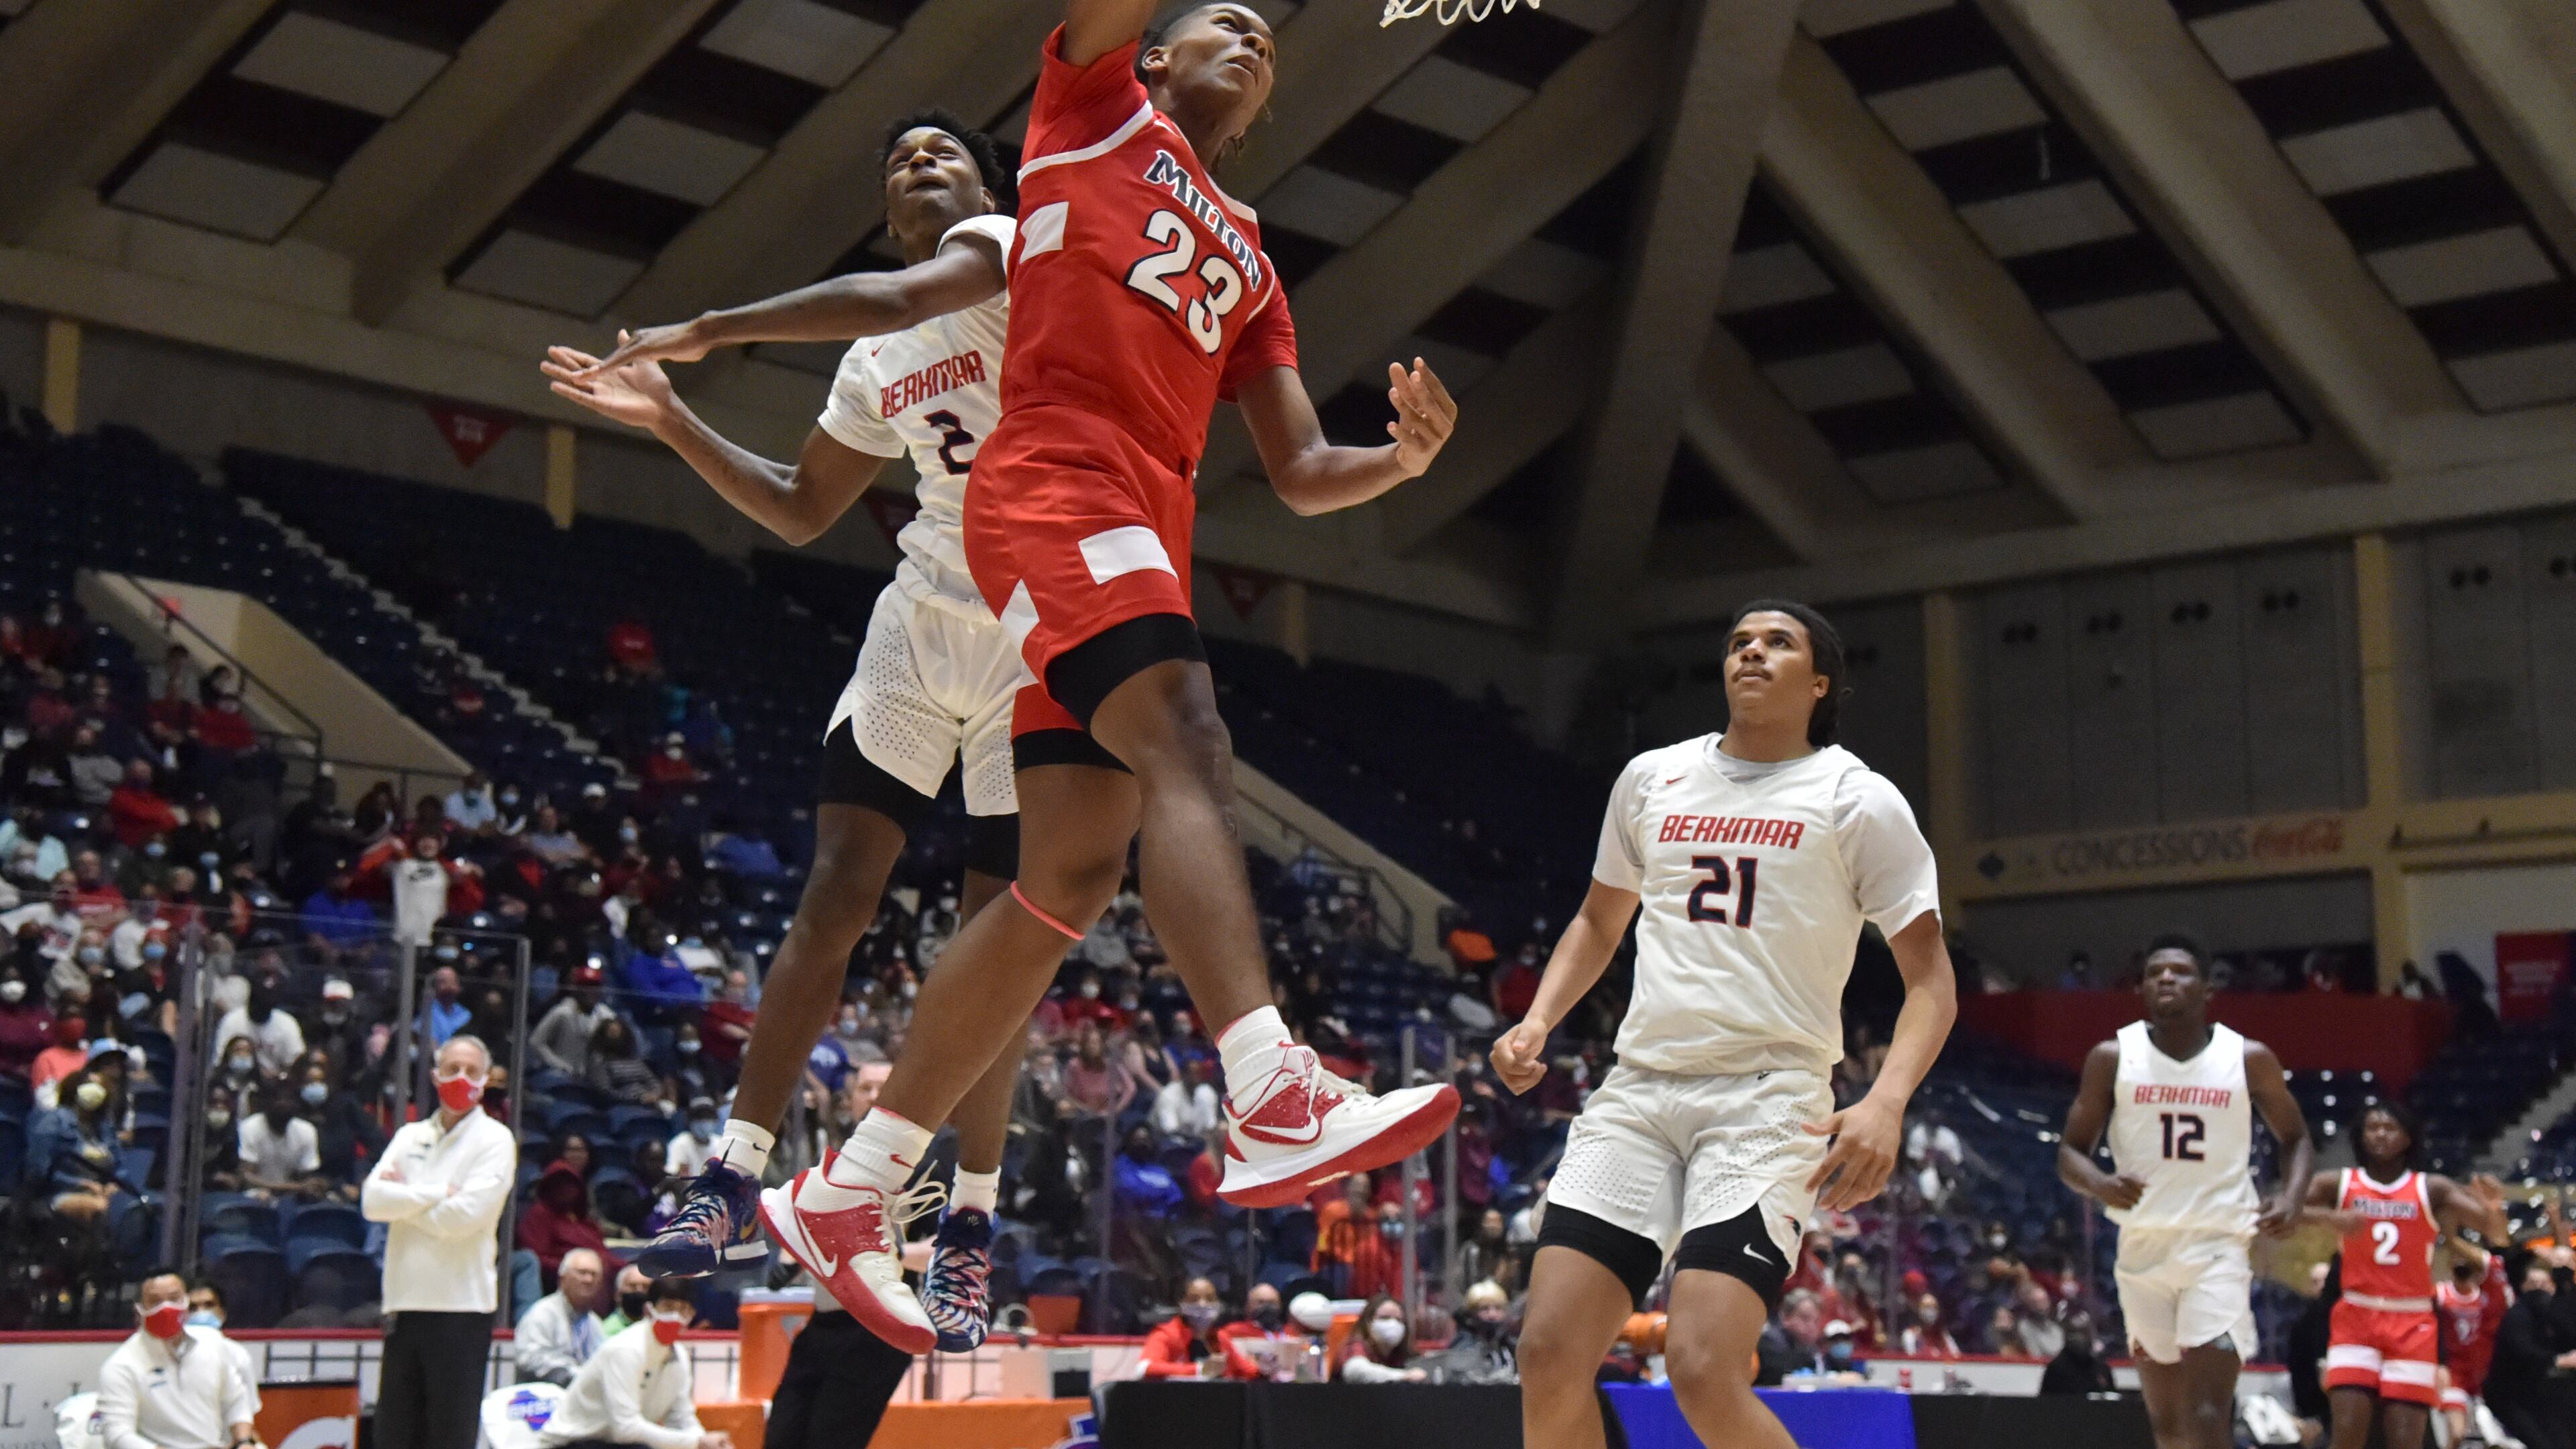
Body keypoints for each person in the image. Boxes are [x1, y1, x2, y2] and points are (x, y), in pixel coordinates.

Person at [736, 0, 1460, 1350]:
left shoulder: (1248, 252)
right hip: (1056, 482)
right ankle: (1267, 1084)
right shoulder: (1092, 112)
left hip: (1148, 522)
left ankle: (854, 1183)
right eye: (1222, 24)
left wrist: (1401, 463)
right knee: (1187, 738)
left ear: (1259, 110)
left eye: (1268, 46)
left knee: (1068, 874)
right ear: (1157, 56)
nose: (1247, 43)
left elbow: (1302, 471)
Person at [541, 115, 1049, 1354]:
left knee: (1005, 940)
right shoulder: (876, 358)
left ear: (987, 185)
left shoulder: (1007, 248)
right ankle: (732, 1178)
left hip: (1044, 626)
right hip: (923, 620)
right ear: (885, 206)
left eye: (941, 149)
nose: (918, 161)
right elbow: (800, 505)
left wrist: (710, 329)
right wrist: (671, 419)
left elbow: (898, 290)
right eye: (900, 158)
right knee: (835, 893)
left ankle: (968, 1221)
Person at [1497, 602, 1953, 1449]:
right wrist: (1539, 1018)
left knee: (1703, 1368)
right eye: (1740, 642)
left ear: (1820, 683)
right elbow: (1600, 922)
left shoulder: (1857, 800)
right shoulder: (1651, 778)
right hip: (1641, 1090)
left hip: (1767, 1098)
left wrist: (1886, 1102)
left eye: (1778, 643)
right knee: (1548, 1353)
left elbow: (1931, 979)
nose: (1751, 652)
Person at [2054, 932, 2316, 1449]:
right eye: (2155, 973)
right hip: (2143, 1249)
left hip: (2217, 1246)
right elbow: (2069, 1153)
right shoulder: (2112, 1056)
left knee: (2208, 1413)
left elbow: (2297, 1137)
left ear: (2207, 989)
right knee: (2169, 1426)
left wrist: (2292, 1198)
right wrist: (2100, 1183)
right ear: (2143, 989)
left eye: (2180, 971)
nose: (2166, 979)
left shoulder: (2248, 1057)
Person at [2304, 1101, 2508, 1449]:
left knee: (2406, 1441)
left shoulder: (2432, 1189)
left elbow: (2499, 1235)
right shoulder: (2338, 1183)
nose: (2380, 1134)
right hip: (2356, 1316)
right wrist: (2331, 1220)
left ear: (2408, 1138)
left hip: (2412, 1321)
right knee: (2347, 1436)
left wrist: (2494, 1209)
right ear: (2360, 1136)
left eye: (2390, 1128)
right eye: (2372, 1127)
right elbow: (2283, 1212)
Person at [364, 1034, 516, 1449]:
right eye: (452, 1069)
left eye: (471, 1071)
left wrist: (405, 1199)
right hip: (403, 1304)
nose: (460, 1078)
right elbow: (372, 1201)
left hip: (461, 1310)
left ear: (485, 1081)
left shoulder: (496, 1140)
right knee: (394, 1435)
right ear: (434, 1076)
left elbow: (464, 1218)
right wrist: (435, 1193)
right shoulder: (409, 1136)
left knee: (448, 1437)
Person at [535, 1277, 729, 1449]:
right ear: (649, 1310)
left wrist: (705, 1441)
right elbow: (626, 1430)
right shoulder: (626, 1349)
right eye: (669, 1308)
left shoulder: (679, 1356)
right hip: (570, 1442)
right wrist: (697, 1443)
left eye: (684, 1310)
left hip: (611, 1442)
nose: (676, 1317)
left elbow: (680, 1417)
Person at [97, 1271, 261, 1449]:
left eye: (174, 1298)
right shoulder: (121, 1365)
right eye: (155, 1301)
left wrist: (244, 1441)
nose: (166, 1308)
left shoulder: (213, 1343)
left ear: (186, 1301)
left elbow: (236, 1401)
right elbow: (117, 1435)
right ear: (139, 1309)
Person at [2485, 1248, 2575, 1449]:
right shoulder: (2517, 1316)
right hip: (2513, 1398)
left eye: (2544, 1284)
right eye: (2533, 1285)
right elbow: (2522, 1351)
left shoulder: (2557, 1312)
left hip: (2549, 1394)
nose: (2539, 1290)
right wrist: (2557, 1360)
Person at [2433, 1235, 2509, 1444]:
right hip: (2455, 1372)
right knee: (2456, 1434)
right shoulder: (2440, 1294)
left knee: (2493, 1438)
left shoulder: (2486, 1297)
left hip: (2484, 1372)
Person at [517, 1246, 609, 1387]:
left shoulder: (594, 1322)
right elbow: (529, 1359)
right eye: (582, 1273)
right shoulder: (543, 1313)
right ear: (563, 1279)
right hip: (543, 1396)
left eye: (594, 1274)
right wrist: (574, 1373)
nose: (588, 1280)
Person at [1140, 1277, 1256, 1379]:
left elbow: (1246, 1371)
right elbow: (1145, 1368)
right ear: (1181, 1303)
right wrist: (1200, 1370)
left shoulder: (1220, 1337)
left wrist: (1266, 1369)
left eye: (1210, 1299)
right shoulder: (1166, 1334)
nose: (1203, 1304)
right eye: (1194, 1299)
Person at [237, 1083, 330, 1201]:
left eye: (288, 1099)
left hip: (292, 1196)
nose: (282, 1103)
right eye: (277, 1099)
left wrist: (315, 1185)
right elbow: (247, 1177)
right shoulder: (250, 1127)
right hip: (255, 1193)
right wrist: (296, 1187)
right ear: (265, 1102)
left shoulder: (306, 1130)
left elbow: (306, 1176)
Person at [1340, 1294, 1426, 1383]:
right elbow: (1355, 1371)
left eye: (1399, 1320)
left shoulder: (1402, 1353)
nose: (1393, 1324)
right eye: (1385, 1318)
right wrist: (1403, 1376)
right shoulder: (1356, 1345)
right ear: (1368, 1323)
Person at [2041, 1311, 2115, 1395]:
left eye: (2083, 1333)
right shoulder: (2056, 1369)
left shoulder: (2102, 1369)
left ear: (2091, 1335)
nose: (2078, 1338)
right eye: (2073, 1333)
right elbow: (2046, 1404)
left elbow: (2112, 1402)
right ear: (2066, 1335)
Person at [601, 1264, 652, 1337]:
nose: (639, 1291)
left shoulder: (658, 1326)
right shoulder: (608, 1331)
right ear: (618, 1294)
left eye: (646, 1287)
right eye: (633, 1286)